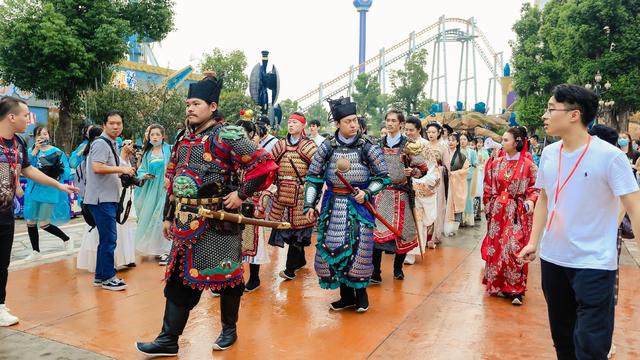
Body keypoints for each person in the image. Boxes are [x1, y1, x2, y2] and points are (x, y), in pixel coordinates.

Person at [135, 73, 277, 355]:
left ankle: (229, 329)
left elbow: (265, 164)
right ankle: (168, 339)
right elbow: (172, 180)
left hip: (216, 223)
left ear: (212, 106)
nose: (190, 108)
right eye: (188, 103)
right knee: (177, 279)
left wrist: (241, 194)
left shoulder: (228, 135)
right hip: (185, 222)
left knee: (228, 279)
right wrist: (167, 216)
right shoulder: (183, 139)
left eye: (196, 103)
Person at [518, 84, 640, 360]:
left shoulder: (611, 158)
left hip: (594, 263)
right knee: (563, 341)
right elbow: (545, 199)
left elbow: (635, 206)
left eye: (551, 109)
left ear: (574, 115)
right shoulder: (549, 153)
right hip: (553, 259)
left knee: (591, 345)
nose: (545, 115)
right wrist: (533, 241)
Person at [303, 96, 390, 313]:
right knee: (333, 249)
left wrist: (368, 192)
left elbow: (383, 177)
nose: (353, 125)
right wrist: (309, 205)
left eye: (355, 120)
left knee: (359, 248)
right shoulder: (327, 147)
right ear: (338, 124)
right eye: (348, 121)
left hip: (358, 206)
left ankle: (361, 297)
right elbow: (313, 177)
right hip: (332, 205)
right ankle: (345, 297)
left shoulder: (367, 146)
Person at [0, 96, 77, 327]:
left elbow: (27, 169)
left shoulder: (19, 143)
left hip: (4, 213)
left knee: (2, 262)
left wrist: (58, 185)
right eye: (25, 115)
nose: (28, 119)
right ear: (12, 117)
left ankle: (0, 305)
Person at [481, 126, 538, 305]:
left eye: (506, 140)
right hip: (498, 211)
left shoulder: (529, 165)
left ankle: (516, 289)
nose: (502, 143)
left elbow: (535, 188)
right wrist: (489, 205)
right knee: (496, 248)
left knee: (514, 247)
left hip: (517, 211)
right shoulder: (495, 163)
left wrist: (530, 201)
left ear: (517, 142)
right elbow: (488, 186)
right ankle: (496, 284)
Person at [84, 110, 137, 291]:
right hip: (101, 199)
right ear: (104, 124)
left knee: (106, 238)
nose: (115, 126)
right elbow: (97, 167)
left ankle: (101, 276)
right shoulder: (101, 143)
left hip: (106, 197)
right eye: (112, 123)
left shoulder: (112, 143)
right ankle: (107, 277)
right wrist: (121, 170)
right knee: (109, 239)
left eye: (119, 123)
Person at [371, 111, 425, 280]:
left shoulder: (409, 145)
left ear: (401, 124)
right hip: (381, 193)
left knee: (403, 233)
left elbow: (423, 169)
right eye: (388, 120)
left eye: (393, 120)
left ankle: (397, 268)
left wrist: (412, 171)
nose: (390, 123)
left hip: (401, 194)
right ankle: (375, 272)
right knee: (377, 234)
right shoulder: (377, 144)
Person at [268, 112, 317, 281]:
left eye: (295, 122)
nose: (291, 125)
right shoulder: (280, 144)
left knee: (298, 232)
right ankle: (300, 260)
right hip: (282, 193)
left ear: (303, 126)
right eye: (289, 122)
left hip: (301, 194)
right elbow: (270, 166)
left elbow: (318, 169)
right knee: (286, 230)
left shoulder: (309, 146)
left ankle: (290, 269)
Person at [23, 125, 73, 261]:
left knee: (44, 223)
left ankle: (67, 239)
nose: (42, 136)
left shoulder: (57, 152)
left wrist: (58, 171)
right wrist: (34, 152)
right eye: (39, 134)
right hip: (33, 190)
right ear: (34, 137)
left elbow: (66, 170)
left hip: (50, 190)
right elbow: (25, 168)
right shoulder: (31, 151)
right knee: (30, 221)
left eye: (45, 134)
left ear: (49, 136)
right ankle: (36, 251)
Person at [236, 119, 271, 292]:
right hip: (233, 202)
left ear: (251, 134)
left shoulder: (261, 154)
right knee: (231, 241)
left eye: (242, 132)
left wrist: (262, 203)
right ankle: (233, 277)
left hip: (254, 203)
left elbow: (271, 183)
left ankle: (254, 278)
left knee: (252, 242)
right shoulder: (231, 154)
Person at [134, 124, 172, 265]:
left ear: (163, 136)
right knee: (151, 217)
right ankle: (157, 248)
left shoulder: (169, 150)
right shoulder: (147, 153)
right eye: (152, 135)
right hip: (151, 190)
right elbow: (141, 170)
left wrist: (170, 179)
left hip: (166, 189)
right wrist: (145, 175)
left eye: (157, 134)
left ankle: (167, 251)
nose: (155, 137)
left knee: (163, 217)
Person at [404, 117, 439, 264]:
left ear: (419, 130)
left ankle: (413, 252)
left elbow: (432, 169)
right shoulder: (402, 143)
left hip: (418, 186)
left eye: (411, 130)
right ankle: (402, 250)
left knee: (417, 219)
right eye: (406, 129)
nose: (408, 132)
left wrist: (418, 182)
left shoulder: (425, 146)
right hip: (403, 185)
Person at [424, 122, 450, 248]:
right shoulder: (424, 145)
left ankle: (434, 236)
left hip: (438, 180)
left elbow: (447, 166)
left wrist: (439, 170)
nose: (431, 134)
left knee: (437, 204)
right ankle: (425, 235)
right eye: (429, 132)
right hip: (424, 179)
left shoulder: (443, 147)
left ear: (439, 132)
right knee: (425, 204)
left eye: (433, 132)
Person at [445, 132, 469, 235]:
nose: (450, 142)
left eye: (453, 140)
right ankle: (443, 228)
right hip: (445, 183)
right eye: (449, 140)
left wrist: (454, 174)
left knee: (455, 206)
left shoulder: (462, 156)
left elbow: (466, 170)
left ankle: (452, 229)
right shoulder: (444, 153)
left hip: (455, 185)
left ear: (457, 142)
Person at [460, 133, 478, 226]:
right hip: (458, 178)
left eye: (464, 139)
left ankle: (468, 219)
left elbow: (476, 163)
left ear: (467, 141)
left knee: (468, 198)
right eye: (461, 139)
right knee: (460, 198)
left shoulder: (472, 152)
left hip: (468, 178)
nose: (462, 141)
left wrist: (472, 164)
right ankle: (461, 219)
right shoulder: (457, 151)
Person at [475, 137, 490, 222]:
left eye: (480, 142)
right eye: (478, 142)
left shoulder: (485, 152)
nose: (479, 144)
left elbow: (487, 162)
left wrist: (483, 163)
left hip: (481, 171)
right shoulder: (474, 151)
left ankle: (481, 205)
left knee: (480, 187)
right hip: (476, 171)